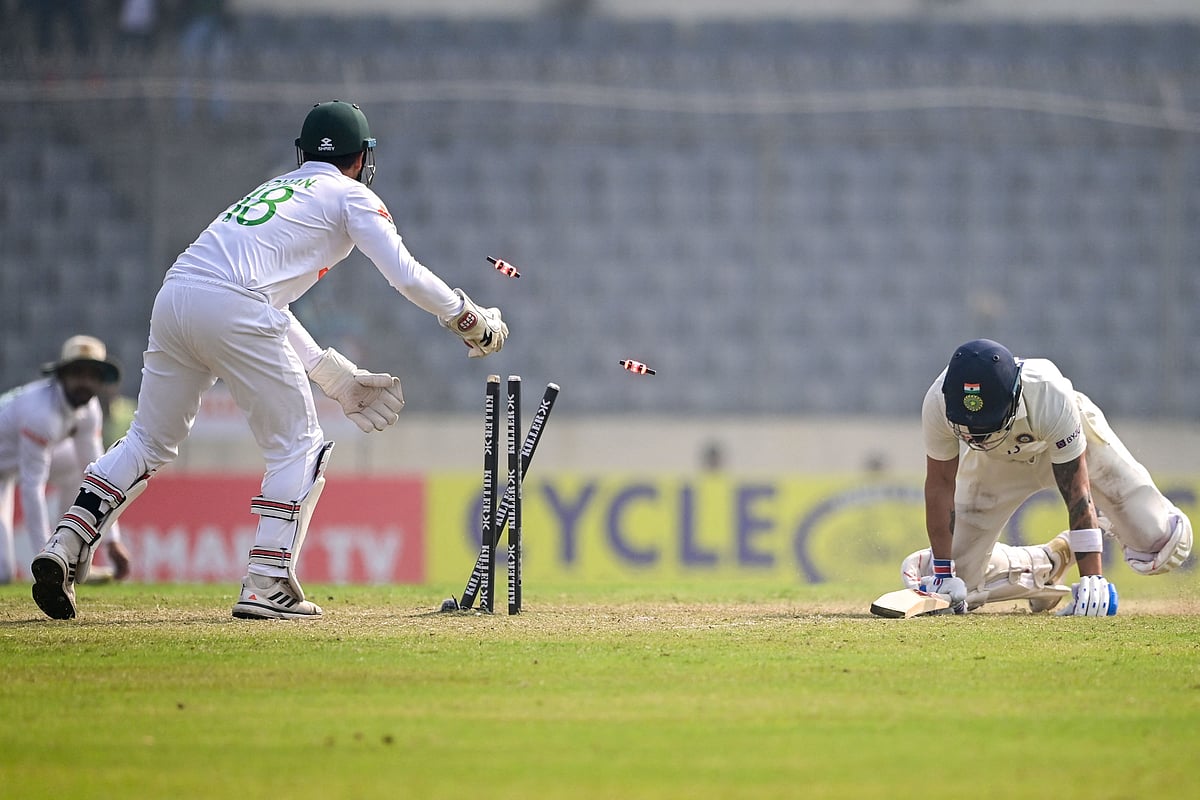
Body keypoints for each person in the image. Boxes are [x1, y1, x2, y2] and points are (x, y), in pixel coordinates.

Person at [31, 100, 508, 620]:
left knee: (148, 439)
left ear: (305, 152)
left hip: (176, 294)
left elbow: (260, 300)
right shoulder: (352, 195)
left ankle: (66, 541)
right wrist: (468, 318)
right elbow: (404, 273)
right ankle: (266, 581)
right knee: (298, 445)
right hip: (232, 304)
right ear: (361, 158)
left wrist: (332, 374)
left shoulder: (275, 190)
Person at [909, 338, 1191, 616]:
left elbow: (1077, 492)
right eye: (970, 427)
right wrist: (944, 572)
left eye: (985, 424)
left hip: (1064, 443)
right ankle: (1047, 562)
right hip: (994, 464)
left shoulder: (1048, 393)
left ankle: (1104, 527)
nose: (977, 434)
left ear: (1014, 396)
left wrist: (1092, 578)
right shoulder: (938, 402)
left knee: (1165, 543)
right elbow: (940, 485)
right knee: (956, 587)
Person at [0, 336, 120, 584]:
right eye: (78, 373)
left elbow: (99, 475)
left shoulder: (89, 409)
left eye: (92, 375)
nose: (85, 383)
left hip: (15, 464)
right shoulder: (40, 414)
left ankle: (70, 557)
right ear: (62, 375)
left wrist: (112, 541)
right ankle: (54, 558)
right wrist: (45, 561)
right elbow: (32, 489)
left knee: (82, 469)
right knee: (3, 574)